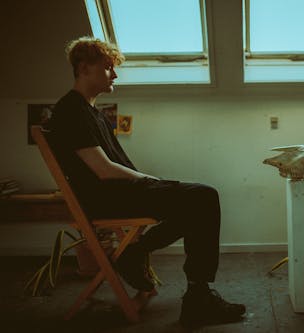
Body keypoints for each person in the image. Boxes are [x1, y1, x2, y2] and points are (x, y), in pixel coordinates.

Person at [47, 36, 246, 328]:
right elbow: (102, 170)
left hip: (120, 193)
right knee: (204, 198)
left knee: (199, 203)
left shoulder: (93, 113)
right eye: (107, 68)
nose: (114, 74)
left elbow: (113, 167)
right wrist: (149, 179)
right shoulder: (70, 110)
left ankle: (145, 259)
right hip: (107, 199)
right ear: (84, 67)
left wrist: (151, 182)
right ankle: (192, 294)